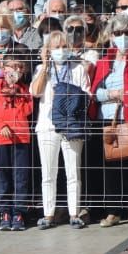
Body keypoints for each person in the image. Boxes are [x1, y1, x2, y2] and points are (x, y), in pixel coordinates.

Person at [91, 17, 128, 228]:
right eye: (117, 33)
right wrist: (112, 93)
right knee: (111, 166)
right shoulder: (104, 61)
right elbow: (94, 92)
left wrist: (126, 94)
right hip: (108, 118)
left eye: (127, 33)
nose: (122, 38)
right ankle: (113, 211)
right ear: (111, 36)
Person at [31, 30, 91, 228]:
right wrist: (45, 66)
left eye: (64, 46)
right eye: (56, 47)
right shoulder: (42, 68)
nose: (61, 50)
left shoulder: (78, 68)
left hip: (72, 125)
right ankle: (49, 213)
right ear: (48, 50)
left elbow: (87, 94)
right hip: (47, 126)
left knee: (73, 171)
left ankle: (74, 213)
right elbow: (35, 92)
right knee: (49, 173)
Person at [0, 52, 33, 230]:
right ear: (4, 68)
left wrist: (18, 93)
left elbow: (28, 110)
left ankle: (18, 213)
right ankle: (5, 212)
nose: (16, 70)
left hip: (21, 137)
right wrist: (1, 124)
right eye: (12, 66)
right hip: (1, 138)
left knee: (21, 176)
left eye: (20, 67)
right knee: (3, 176)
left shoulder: (24, 89)